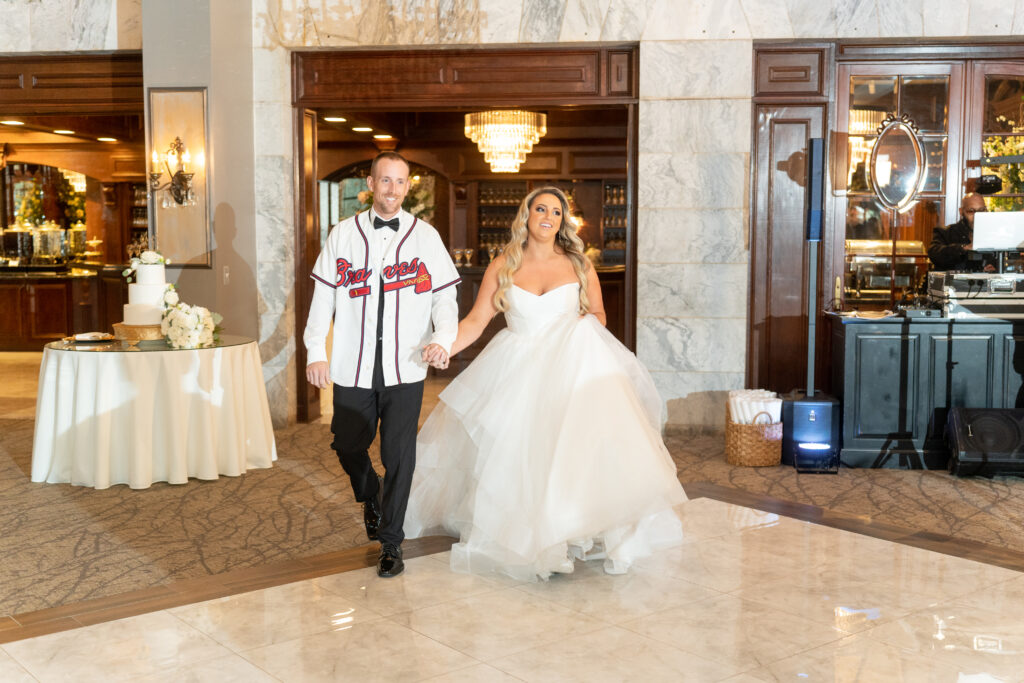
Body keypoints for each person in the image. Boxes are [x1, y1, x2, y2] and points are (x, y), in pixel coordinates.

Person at [407, 186, 688, 581]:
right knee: (520, 453)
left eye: (556, 212)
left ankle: (579, 528)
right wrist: (442, 347)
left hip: (573, 364)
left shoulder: (578, 264)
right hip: (517, 368)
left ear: (563, 221)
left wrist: (576, 333)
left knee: (577, 451)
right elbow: (474, 322)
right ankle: (538, 540)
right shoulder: (504, 264)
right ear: (526, 214)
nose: (548, 217)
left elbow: (600, 314)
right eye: (541, 208)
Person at [304, 151, 460, 578]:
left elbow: (444, 296)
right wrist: (315, 349)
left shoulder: (424, 236)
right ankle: (368, 491)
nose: (392, 189)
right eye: (385, 181)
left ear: (408, 187)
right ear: (370, 184)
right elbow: (322, 298)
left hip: (405, 367)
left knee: (399, 456)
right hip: (352, 364)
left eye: (400, 182)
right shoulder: (342, 235)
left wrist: (443, 339)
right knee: (347, 443)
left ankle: (391, 542)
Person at [928, 193, 996, 272]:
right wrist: (964, 248)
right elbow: (934, 254)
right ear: (961, 211)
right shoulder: (945, 232)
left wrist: (994, 270)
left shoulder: (993, 234)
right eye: (971, 211)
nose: (977, 216)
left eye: (981, 210)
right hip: (953, 284)